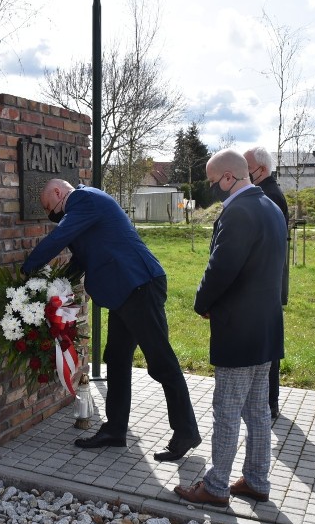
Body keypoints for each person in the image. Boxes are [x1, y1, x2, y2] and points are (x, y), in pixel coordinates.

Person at [22, 178, 201, 461]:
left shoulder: (85, 200)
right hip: (124, 293)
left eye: (49, 208)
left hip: (139, 286)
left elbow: (59, 239)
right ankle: (115, 429)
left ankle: (186, 431)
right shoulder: (82, 210)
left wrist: (28, 268)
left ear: (58, 192)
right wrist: (55, 285)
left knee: (161, 362)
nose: (51, 216)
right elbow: (80, 259)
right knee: (116, 358)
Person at [174, 149, 287, 506]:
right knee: (256, 412)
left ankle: (216, 485)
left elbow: (221, 268)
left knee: (226, 411)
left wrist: (201, 303)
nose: (213, 190)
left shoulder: (238, 211)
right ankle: (256, 480)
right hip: (266, 327)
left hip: (239, 330)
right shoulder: (270, 206)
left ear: (227, 178)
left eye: (212, 183)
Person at [244, 146, 290, 421]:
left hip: (265, 285)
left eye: (247, 167)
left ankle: (268, 403)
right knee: (266, 347)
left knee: (267, 349)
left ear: (260, 170)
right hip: (269, 283)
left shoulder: (269, 196)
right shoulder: (271, 192)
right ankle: (266, 401)